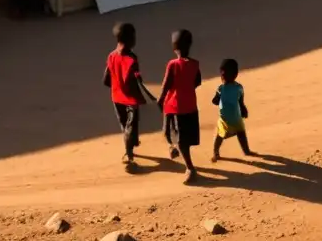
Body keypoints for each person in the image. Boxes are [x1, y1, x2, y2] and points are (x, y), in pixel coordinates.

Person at [103, 22, 157, 171]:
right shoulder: (132, 58)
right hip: (130, 99)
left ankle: (132, 142)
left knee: (124, 124)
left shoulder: (111, 56)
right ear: (130, 39)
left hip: (116, 97)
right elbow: (136, 80)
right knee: (131, 125)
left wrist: (116, 89)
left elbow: (106, 79)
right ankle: (128, 154)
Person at [157, 29, 202, 184]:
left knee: (173, 135)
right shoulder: (195, 64)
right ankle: (174, 148)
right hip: (190, 106)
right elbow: (197, 82)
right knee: (185, 138)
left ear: (173, 47)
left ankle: (190, 168)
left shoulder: (172, 65)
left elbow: (166, 84)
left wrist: (160, 99)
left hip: (173, 107)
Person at [211, 58, 252, 162]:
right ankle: (245, 151)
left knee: (224, 135)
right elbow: (241, 102)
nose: (223, 77)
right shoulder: (237, 87)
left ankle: (216, 152)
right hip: (231, 117)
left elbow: (215, 101)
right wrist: (243, 109)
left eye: (223, 75)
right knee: (237, 133)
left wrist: (243, 109)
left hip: (230, 117)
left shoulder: (223, 88)